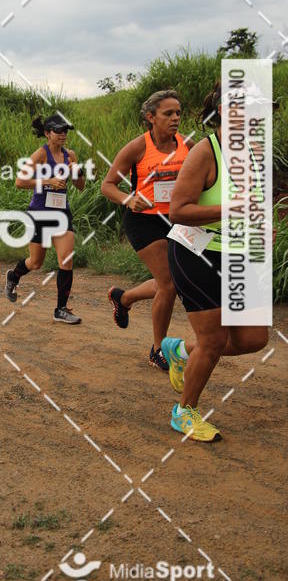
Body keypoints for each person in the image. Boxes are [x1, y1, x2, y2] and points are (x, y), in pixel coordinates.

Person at [162, 82, 269, 441]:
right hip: (196, 251)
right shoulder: (205, 152)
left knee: (254, 337)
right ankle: (184, 412)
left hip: (236, 251)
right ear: (224, 111)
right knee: (213, 339)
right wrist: (231, 210)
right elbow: (178, 210)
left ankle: (180, 350)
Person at [101, 90, 193, 371]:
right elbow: (108, 185)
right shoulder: (137, 147)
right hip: (144, 221)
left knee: (175, 280)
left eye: (178, 113)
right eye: (168, 113)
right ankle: (158, 349)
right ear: (151, 117)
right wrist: (128, 199)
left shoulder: (188, 144)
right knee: (168, 284)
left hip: (177, 219)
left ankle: (124, 298)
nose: (175, 118)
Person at [5, 113, 86, 324]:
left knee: (66, 259)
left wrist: (77, 172)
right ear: (47, 133)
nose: (63, 134)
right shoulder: (40, 155)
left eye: (65, 131)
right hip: (39, 213)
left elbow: (80, 186)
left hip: (61, 213)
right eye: (58, 131)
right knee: (35, 263)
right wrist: (48, 181)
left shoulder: (70, 155)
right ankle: (14, 276)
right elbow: (19, 181)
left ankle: (61, 310)